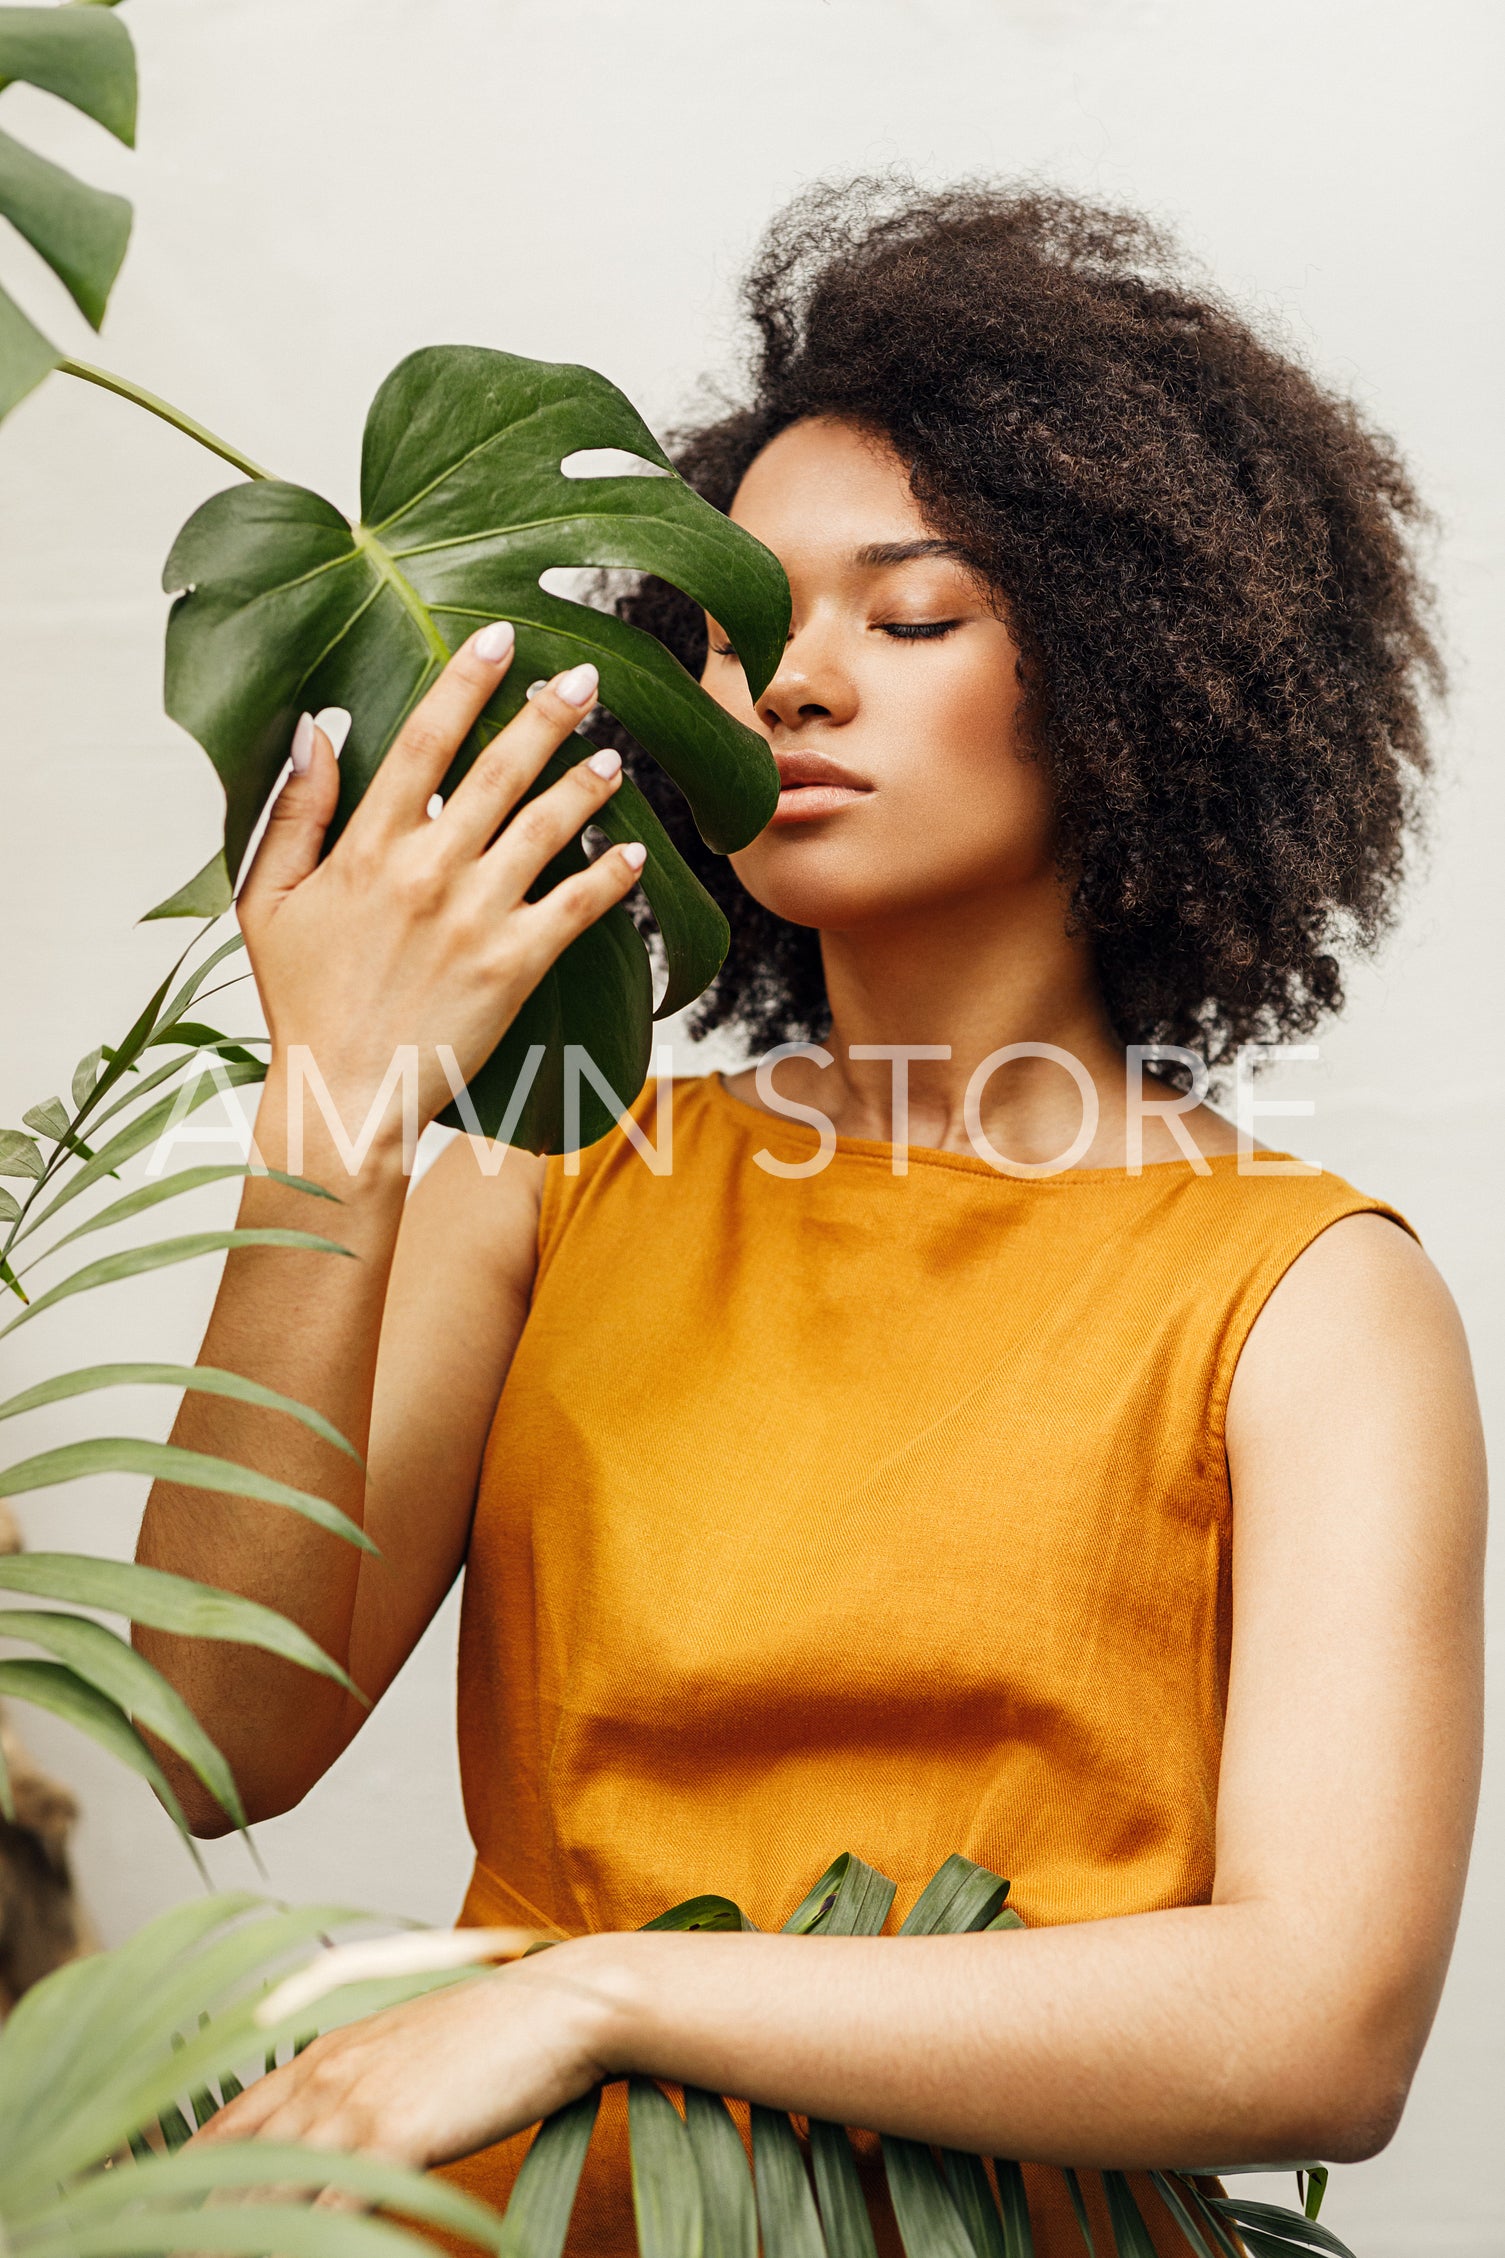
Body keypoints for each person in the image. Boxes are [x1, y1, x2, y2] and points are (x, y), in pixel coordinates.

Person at [136, 185, 1485, 2256]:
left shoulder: (1306, 1299)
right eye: (740, 621)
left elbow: (1320, 2027)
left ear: (1139, 674)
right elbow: (214, 1735)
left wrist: (603, 1988)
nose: (797, 683)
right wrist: (338, 1112)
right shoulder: (555, 1179)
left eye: (912, 616)